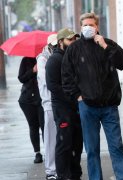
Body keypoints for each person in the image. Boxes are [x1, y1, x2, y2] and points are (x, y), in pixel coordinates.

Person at [61, 13, 123, 180]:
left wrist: (105, 46)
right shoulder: (74, 49)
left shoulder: (108, 44)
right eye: (84, 25)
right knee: (92, 149)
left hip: (109, 106)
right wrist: (77, 96)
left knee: (116, 147)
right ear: (80, 27)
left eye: (91, 25)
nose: (88, 28)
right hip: (87, 106)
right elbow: (66, 75)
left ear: (97, 26)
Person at [46, 28, 83, 180]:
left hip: (75, 108)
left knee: (77, 143)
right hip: (63, 109)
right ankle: (63, 175)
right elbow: (53, 86)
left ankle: (75, 174)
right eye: (70, 40)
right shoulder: (54, 60)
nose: (73, 42)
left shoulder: (72, 57)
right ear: (61, 42)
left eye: (75, 39)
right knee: (64, 143)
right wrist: (73, 96)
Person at [36, 34, 58, 179]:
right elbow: (47, 80)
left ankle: (59, 167)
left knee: (61, 138)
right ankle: (51, 170)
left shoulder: (55, 57)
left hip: (59, 102)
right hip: (49, 103)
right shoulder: (43, 59)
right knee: (50, 138)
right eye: (54, 45)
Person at [18, 56, 44, 164]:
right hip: (27, 99)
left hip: (42, 98)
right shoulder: (26, 60)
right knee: (33, 126)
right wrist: (33, 71)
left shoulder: (45, 58)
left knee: (45, 125)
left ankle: (50, 151)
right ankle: (37, 153)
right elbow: (21, 78)